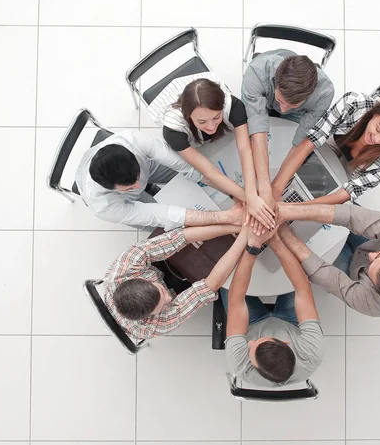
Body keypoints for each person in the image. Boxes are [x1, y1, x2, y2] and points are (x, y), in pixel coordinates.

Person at [148, 72, 276, 231]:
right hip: (170, 106)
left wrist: (251, 194)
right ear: (188, 117)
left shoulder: (234, 106)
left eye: (216, 117)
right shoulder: (173, 131)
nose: (210, 126)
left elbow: (245, 150)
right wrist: (249, 199)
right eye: (202, 122)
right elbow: (209, 170)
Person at [276, 202, 380, 317]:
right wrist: (286, 210)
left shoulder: (370, 303)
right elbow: (350, 216)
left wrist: (283, 232)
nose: (371, 255)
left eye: (370, 270)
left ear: (375, 289)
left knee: (311, 263)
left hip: (352, 269)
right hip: (370, 240)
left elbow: (321, 272)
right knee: (342, 211)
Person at [103, 218, 247, 339]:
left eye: (162, 292)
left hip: (145, 272)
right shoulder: (157, 325)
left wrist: (237, 226)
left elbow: (177, 238)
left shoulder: (127, 265)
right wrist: (245, 237)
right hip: (141, 323)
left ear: (144, 280)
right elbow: (207, 287)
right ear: (150, 315)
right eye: (161, 306)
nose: (169, 298)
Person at [271, 91, 380, 206]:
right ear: (375, 112)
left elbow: (350, 190)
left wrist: (297, 209)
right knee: (281, 171)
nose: (377, 140)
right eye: (379, 129)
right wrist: (276, 190)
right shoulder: (353, 103)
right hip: (325, 147)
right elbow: (312, 140)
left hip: (345, 179)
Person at [224, 224, 324, 387]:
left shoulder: (240, 363)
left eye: (250, 347)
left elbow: (236, 300)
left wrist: (253, 246)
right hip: (291, 324)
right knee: (299, 272)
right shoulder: (311, 353)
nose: (249, 342)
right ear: (285, 342)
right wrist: (275, 240)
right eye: (255, 343)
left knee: (226, 280)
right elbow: (302, 290)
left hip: (251, 325)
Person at [76, 130, 237, 231]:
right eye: (129, 187)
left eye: (138, 178)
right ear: (112, 188)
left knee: (189, 169)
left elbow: (184, 165)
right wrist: (224, 217)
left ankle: (139, 178)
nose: (139, 186)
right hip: (126, 203)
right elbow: (164, 215)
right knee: (169, 228)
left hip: (146, 167)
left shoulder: (133, 140)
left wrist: (232, 192)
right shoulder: (104, 206)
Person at [242, 49, 335, 224]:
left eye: (291, 103)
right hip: (260, 94)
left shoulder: (324, 93)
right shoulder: (257, 72)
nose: (282, 109)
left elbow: (301, 142)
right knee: (247, 135)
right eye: (281, 100)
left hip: (299, 113)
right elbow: (259, 135)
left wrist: (276, 190)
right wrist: (264, 188)